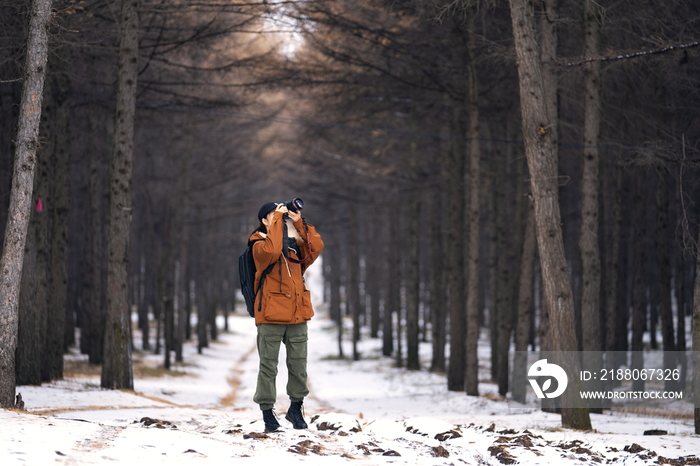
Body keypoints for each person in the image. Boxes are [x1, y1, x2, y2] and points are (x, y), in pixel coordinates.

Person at [250, 201, 324, 432]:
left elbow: (317, 247)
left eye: (282, 215)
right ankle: (267, 413)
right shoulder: (258, 244)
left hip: (297, 315)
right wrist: (276, 224)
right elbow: (271, 251)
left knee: (298, 366)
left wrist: (298, 221)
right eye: (275, 215)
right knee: (268, 367)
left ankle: (295, 408)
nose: (281, 218)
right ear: (264, 220)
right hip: (271, 315)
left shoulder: (293, 247)